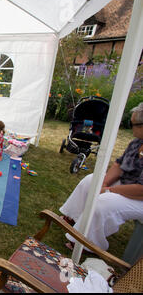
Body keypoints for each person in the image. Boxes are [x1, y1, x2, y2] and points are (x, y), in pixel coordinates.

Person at [60, 102, 143, 252]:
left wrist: (109, 190)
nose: (131, 127)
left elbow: (141, 190)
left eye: (133, 124)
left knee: (104, 202)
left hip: (139, 196)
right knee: (90, 181)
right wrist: (103, 183)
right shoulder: (136, 143)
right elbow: (119, 164)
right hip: (126, 182)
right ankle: (74, 217)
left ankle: (87, 242)